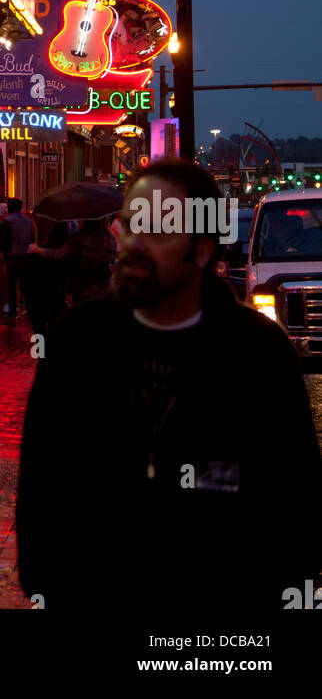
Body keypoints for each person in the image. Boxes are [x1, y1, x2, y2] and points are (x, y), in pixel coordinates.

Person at [17, 159, 322, 614]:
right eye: (130, 225)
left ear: (201, 250)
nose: (133, 245)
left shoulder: (257, 353)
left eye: (156, 230)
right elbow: (43, 478)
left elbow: (294, 500)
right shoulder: (79, 340)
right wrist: (51, 583)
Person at [27, 214, 117, 305]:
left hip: (85, 287)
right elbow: (112, 258)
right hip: (105, 286)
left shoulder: (81, 238)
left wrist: (37, 250)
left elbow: (59, 254)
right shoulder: (110, 238)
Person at [4, 198, 33, 318]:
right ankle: (30, 308)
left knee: (12, 286)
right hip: (25, 256)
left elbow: (6, 241)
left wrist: (6, 256)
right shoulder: (28, 221)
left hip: (12, 256)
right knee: (25, 285)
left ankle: (12, 311)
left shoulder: (7, 220)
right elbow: (31, 238)